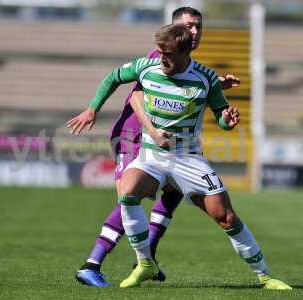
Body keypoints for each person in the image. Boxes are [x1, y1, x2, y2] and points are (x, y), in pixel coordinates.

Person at [70, 23, 292, 290]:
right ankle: (145, 264)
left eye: (168, 54)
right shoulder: (147, 66)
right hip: (152, 156)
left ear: (186, 53)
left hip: (188, 158)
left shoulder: (206, 78)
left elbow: (221, 113)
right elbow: (113, 77)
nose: (161, 58)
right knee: (127, 192)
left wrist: (227, 120)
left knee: (226, 217)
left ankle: (265, 276)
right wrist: (92, 108)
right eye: (160, 52)